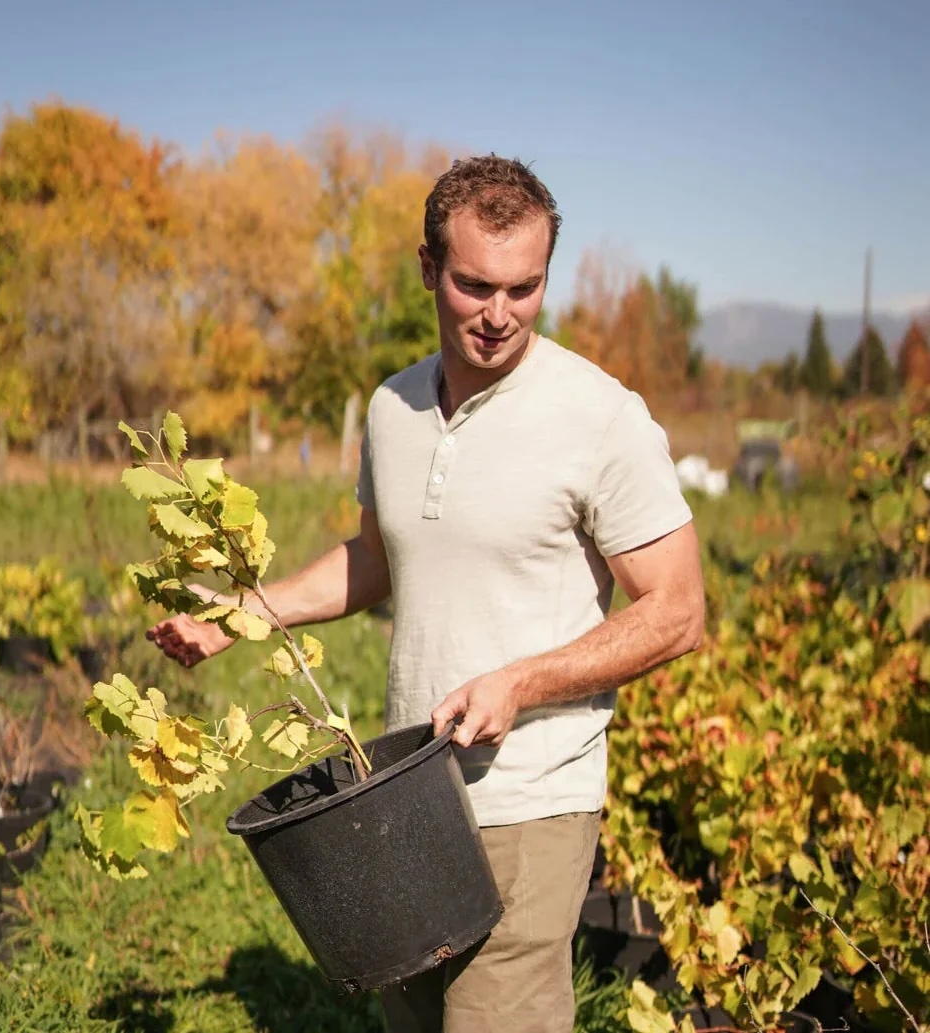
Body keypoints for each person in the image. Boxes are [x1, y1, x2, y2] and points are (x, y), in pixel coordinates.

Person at [147, 155, 705, 1033]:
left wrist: (519, 683)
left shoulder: (599, 416)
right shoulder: (392, 408)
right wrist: (244, 615)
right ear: (427, 269)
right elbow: (379, 560)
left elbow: (677, 610)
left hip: (531, 797)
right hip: (405, 795)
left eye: (525, 288)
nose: (499, 314)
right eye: (475, 284)